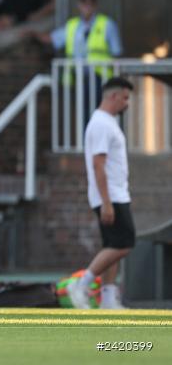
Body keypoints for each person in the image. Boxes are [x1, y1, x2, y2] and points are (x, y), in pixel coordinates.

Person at [66, 77, 135, 310]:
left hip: (115, 194)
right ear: (113, 96)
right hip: (111, 196)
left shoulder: (107, 122)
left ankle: (107, 298)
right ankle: (81, 284)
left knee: (112, 246)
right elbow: (98, 164)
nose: (127, 104)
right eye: (125, 98)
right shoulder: (102, 124)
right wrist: (106, 202)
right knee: (124, 244)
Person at [33, 0, 122, 125]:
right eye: (84, 3)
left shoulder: (106, 24)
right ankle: (87, 141)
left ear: (95, 5)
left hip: (100, 76)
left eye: (90, 3)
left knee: (100, 113)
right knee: (84, 112)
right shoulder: (72, 25)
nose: (87, 7)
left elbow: (117, 52)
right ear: (79, 5)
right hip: (78, 76)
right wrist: (30, 32)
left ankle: (97, 141)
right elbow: (52, 39)